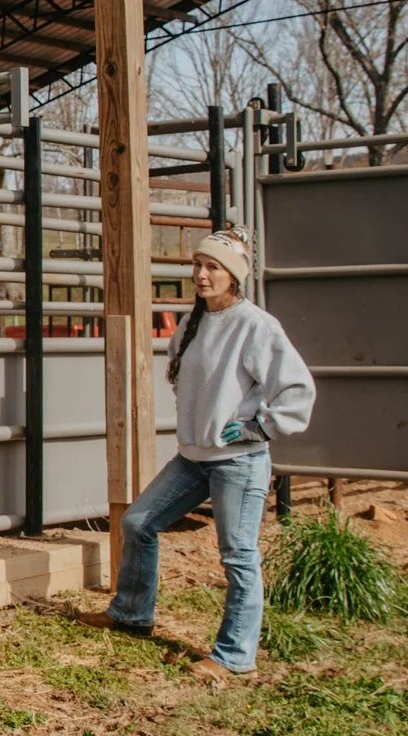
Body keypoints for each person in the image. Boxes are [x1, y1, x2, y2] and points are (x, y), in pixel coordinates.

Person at [81, 226, 316, 680]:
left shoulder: (257, 326)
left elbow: (297, 390)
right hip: (193, 457)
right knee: (139, 522)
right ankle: (132, 614)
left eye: (214, 268)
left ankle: (233, 656)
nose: (202, 275)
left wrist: (256, 426)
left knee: (237, 554)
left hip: (238, 462)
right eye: (198, 266)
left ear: (235, 276)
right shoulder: (192, 322)